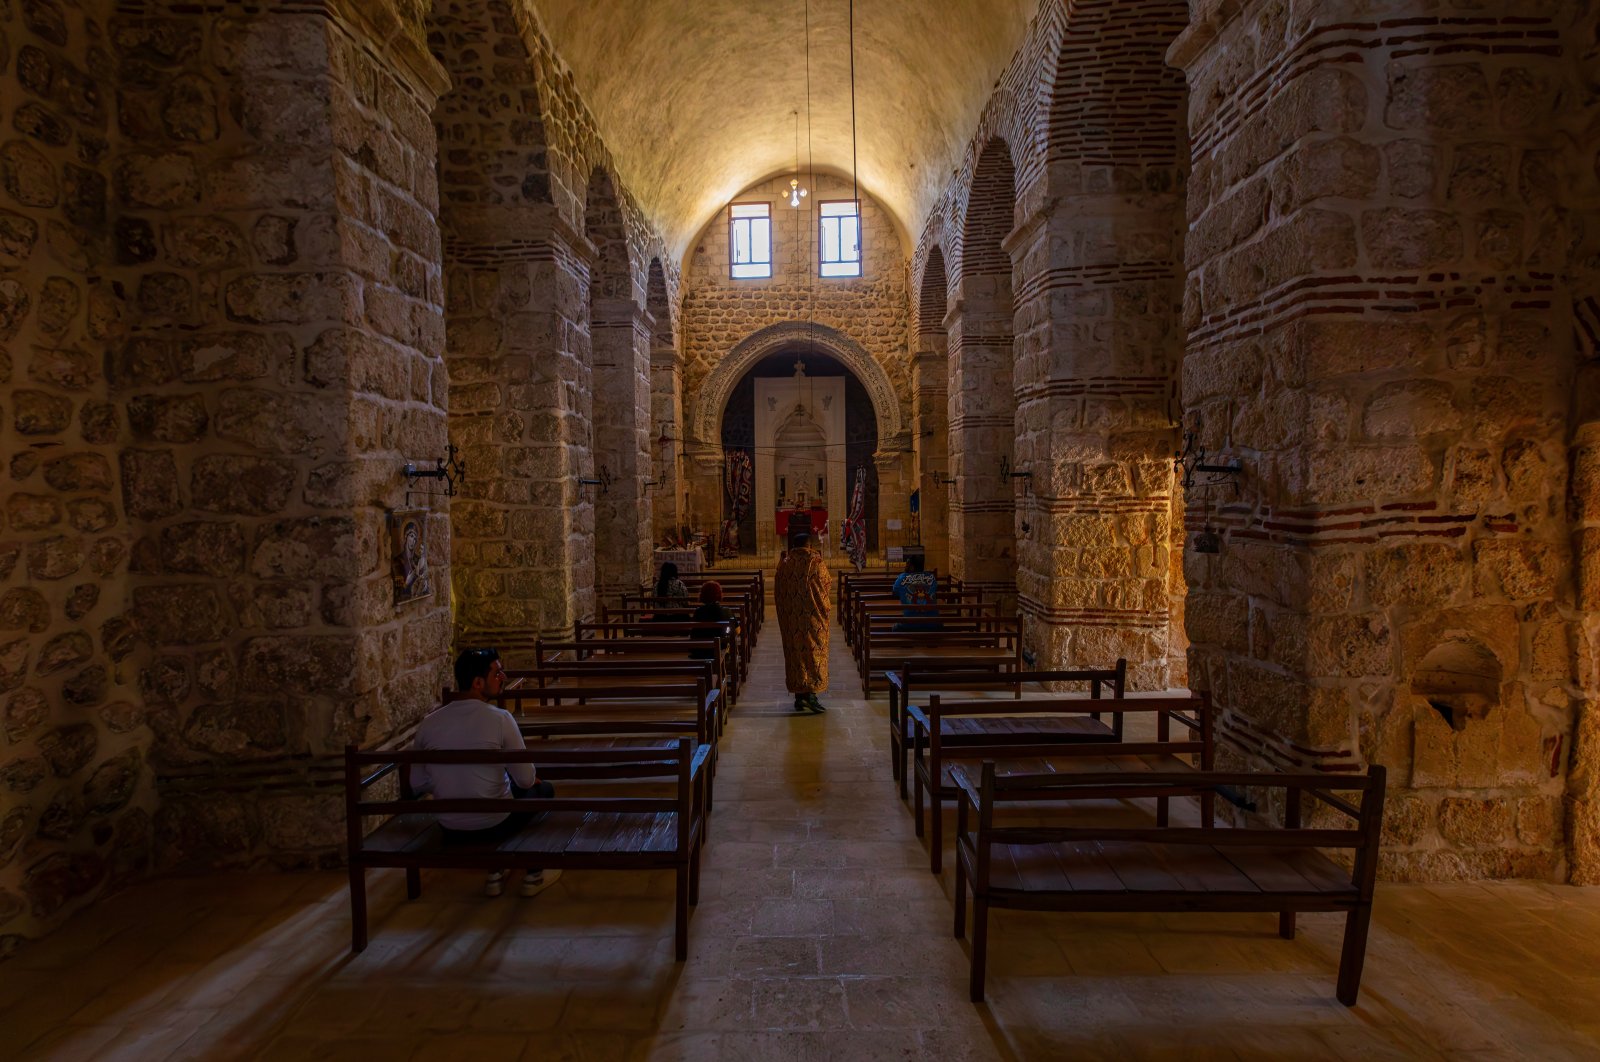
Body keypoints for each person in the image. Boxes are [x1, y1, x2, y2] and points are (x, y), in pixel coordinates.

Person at [409, 648, 561, 899]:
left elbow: (418, 782)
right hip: (495, 824)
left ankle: (496, 869)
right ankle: (535, 870)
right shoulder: (500, 719)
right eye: (497, 672)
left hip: (450, 827)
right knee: (543, 790)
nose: (503, 676)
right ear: (478, 682)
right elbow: (524, 779)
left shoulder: (429, 723)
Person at [775, 529, 832, 714]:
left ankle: (800, 698)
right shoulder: (816, 562)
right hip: (813, 618)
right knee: (813, 653)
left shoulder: (784, 564)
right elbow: (826, 584)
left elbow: (778, 590)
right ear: (809, 545)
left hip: (791, 620)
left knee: (796, 656)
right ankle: (812, 696)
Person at [891, 552, 939, 631]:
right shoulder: (931, 577)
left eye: (908, 564)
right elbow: (934, 590)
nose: (906, 565)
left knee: (895, 628)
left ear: (912, 567)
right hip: (932, 625)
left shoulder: (902, 577)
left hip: (910, 624)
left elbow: (895, 591)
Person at [688, 581, 733, 661]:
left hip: (700, 650)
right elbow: (736, 630)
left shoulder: (698, 611)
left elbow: (694, 632)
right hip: (719, 648)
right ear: (719, 594)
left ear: (702, 594)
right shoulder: (726, 611)